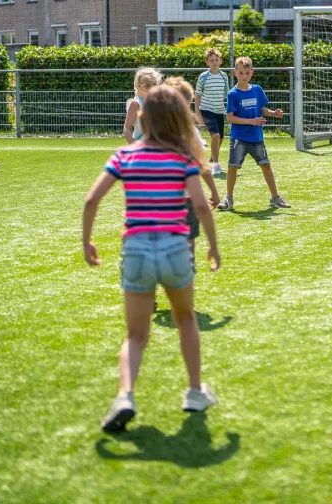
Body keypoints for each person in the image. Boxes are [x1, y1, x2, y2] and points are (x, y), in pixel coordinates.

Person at [82, 84, 222, 434]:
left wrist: (87, 241)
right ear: (179, 118)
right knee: (186, 319)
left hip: (136, 249)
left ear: (143, 117)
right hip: (175, 247)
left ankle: (125, 396)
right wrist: (213, 246)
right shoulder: (183, 158)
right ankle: (194, 392)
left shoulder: (125, 156)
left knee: (135, 334)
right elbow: (201, 205)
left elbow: (91, 201)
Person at [164, 76, 221, 270]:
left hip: (156, 199)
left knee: (159, 248)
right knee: (188, 242)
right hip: (185, 199)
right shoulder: (189, 132)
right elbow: (202, 166)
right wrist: (213, 191)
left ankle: (152, 292)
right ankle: (186, 278)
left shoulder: (152, 131)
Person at [218, 57, 289, 211]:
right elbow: (230, 118)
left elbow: (262, 109)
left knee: (266, 165)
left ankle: (275, 198)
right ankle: (228, 198)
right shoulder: (233, 94)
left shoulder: (257, 90)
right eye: (241, 72)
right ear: (235, 73)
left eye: (247, 73)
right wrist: (251, 122)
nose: (244, 75)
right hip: (239, 137)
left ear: (252, 73)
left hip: (256, 137)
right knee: (232, 166)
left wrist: (272, 113)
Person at [195, 48, 230, 176]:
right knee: (215, 135)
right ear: (207, 62)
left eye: (216, 59)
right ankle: (215, 165)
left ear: (220, 61)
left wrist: (231, 110)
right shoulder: (203, 77)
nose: (214, 62)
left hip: (220, 110)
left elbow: (227, 94)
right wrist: (197, 112)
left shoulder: (224, 76)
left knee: (221, 137)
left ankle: (211, 160)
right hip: (206, 109)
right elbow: (197, 94)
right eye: (211, 60)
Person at [123, 68, 163, 144]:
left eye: (154, 84)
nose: (151, 88)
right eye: (147, 85)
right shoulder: (136, 104)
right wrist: (133, 146)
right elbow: (127, 128)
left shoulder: (159, 102)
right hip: (141, 147)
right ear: (138, 85)